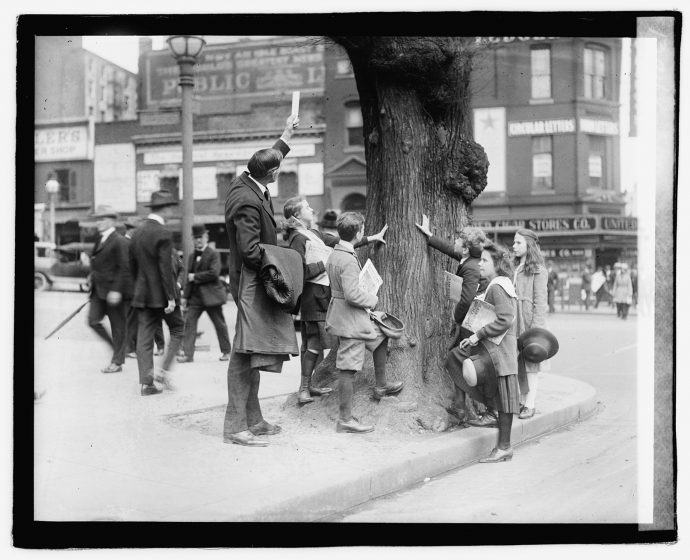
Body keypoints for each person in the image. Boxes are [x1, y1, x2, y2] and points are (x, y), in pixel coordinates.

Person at [223, 114, 301, 447]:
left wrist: (285, 133)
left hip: (251, 281)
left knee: (252, 352)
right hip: (251, 283)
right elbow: (250, 250)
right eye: (276, 169)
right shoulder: (247, 200)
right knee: (244, 354)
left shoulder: (248, 180)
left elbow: (269, 158)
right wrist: (279, 271)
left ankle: (252, 419)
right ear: (271, 175)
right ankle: (235, 426)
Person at [283, 196, 388, 405]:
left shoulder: (312, 233)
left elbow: (339, 242)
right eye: (307, 207)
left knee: (317, 343)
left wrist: (372, 237)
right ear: (296, 216)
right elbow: (298, 272)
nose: (312, 210)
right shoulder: (297, 238)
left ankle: (309, 385)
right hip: (313, 298)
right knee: (314, 343)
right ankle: (304, 389)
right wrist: (325, 263)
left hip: (323, 296)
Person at [325, 212, 404, 434]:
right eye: (362, 230)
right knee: (348, 368)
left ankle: (381, 385)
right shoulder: (347, 260)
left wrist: (373, 236)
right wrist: (373, 299)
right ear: (358, 231)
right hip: (350, 318)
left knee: (380, 336)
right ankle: (345, 419)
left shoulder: (338, 251)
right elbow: (352, 295)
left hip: (345, 314)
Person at [414, 214, 487, 420]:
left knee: (459, 360)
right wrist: (430, 236)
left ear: (464, 248)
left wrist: (456, 317)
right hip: (470, 322)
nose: (454, 241)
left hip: (469, 324)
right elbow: (452, 250)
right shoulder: (469, 259)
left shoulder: (471, 268)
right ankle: (462, 405)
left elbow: (466, 299)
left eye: (458, 240)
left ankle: (464, 407)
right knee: (460, 360)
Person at [458, 242, 519, 462]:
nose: (480, 263)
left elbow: (505, 319)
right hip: (502, 352)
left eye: (485, 260)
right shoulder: (501, 284)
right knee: (504, 401)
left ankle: (504, 447)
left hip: (500, 353)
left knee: (504, 402)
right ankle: (504, 447)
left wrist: (477, 335)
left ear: (497, 264)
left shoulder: (497, 286)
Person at [129, 190, 185, 396]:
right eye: (171, 207)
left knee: (144, 338)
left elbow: (132, 267)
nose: (172, 211)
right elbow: (165, 269)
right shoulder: (163, 233)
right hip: (161, 295)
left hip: (142, 295)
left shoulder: (136, 233)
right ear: (166, 208)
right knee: (178, 330)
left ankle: (147, 384)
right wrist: (170, 297)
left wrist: (139, 288)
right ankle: (163, 371)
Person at [177, 224, 232, 363]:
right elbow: (187, 279)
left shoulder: (213, 254)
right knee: (189, 323)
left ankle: (226, 352)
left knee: (219, 324)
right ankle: (188, 355)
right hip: (195, 298)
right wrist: (184, 297)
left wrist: (195, 277)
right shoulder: (191, 256)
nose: (198, 241)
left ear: (206, 237)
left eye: (200, 237)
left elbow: (214, 273)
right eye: (195, 238)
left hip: (211, 296)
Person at [87, 206, 130, 374]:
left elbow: (124, 267)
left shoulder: (118, 240)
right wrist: (92, 275)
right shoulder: (100, 239)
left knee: (118, 327)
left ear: (111, 221)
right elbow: (99, 262)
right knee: (93, 321)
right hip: (98, 290)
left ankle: (117, 361)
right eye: (97, 219)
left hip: (114, 292)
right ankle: (117, 349)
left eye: (102, 219)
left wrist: (116, 290)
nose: (98, 222)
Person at [512, 228, 548, 420]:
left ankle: (530, 404)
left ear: (529, 245)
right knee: (518, 362)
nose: (514, 246)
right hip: (514, 321)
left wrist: (536, 331)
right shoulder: (515, 267)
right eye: (514, 242)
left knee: (531, 363)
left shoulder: (538, 270)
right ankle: (521, 400)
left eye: (518, 243)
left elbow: (541, 302)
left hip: (528, 323)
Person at [123, 217, 165, 359]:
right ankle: (131, 348)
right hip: (134, 289)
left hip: (137, 289)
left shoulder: (131, 242)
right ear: (132, 230)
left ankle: (133, 347)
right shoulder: (129, 243)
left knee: (136, 320)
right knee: (135, 320)